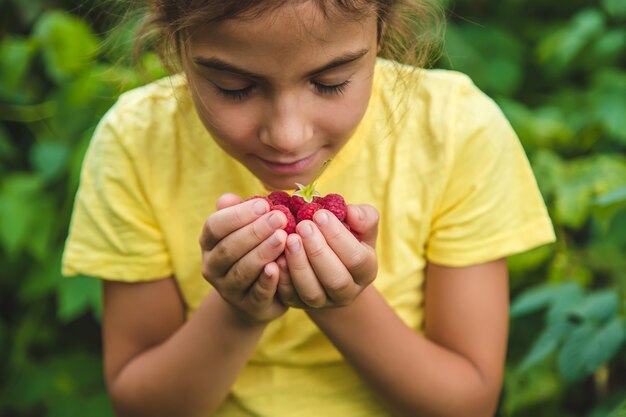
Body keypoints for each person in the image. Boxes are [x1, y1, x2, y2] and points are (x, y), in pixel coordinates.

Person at [62, 1, 556, 416]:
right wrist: (238, 310)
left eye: (331, 82)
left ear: (380, 32)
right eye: (235, 88)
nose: (287, 135)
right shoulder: (137, 141)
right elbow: (141, 403)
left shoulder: (455, 132)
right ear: (177, 45)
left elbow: (468, 402)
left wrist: (344, 302)